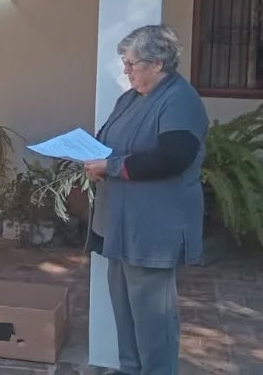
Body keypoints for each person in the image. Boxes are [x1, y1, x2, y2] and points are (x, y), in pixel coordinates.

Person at [83, 24, 208, 375]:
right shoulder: (132, 97)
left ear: (157, 63)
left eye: (131, 64)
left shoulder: (180, 99)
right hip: (119, 223)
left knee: (154, 317)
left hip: (153, 226)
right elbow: (107, 139)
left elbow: (174, 156)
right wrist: (94, 161)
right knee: (124, 309)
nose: (126, 71)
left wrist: (113, 166)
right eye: (125, 63)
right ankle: (129, 369)